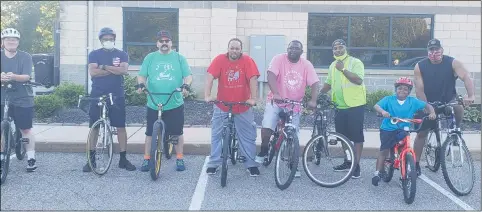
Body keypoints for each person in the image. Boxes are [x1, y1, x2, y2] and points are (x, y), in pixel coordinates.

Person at [256, 40, 320, 177]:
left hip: (294, 104)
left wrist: (313, 100)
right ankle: (264, 149)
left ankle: (292, 163)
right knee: (268, 124)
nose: (293, 50)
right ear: (287, 49)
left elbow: (315, 83)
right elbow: (271, 75)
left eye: (296, 49)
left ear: (301, 52)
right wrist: (276, 93)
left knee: (293, 134)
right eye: (290, 48)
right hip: (277, 101)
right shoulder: (279, 59)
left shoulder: (306, 65)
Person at [412, 38, 475, 176]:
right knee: (422, 133)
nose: (434, 52)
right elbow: (419, 90)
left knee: (458, 107)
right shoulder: (420, 66)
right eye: (431, 50)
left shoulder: (452, 62)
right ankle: (415, 163)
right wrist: (428, 107)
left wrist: (470, 95)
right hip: (428, 102)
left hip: (448, 100)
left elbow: (466, 77)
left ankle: (455, 131)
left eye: (437, 49)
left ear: (442, 50)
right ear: (428, 52)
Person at [137, 30, 192, 172]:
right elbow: (142, 75)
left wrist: (186, 85)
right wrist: (141, 84)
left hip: (174, 102)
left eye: (167, 41)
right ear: (157, 43)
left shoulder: (179, 58)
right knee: (149, 133)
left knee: (177, 132)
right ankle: (147, 158)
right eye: (161, 41)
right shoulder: (150, 58)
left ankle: (179, 158)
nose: (164, 43)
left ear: (171, 43)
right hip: (154, 102)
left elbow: (188, 76)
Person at [204, 38, 260, 176]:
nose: (234, 51)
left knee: (247, 136)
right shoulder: (220, 60)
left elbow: (253, 79)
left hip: (243, 105)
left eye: (237, 48)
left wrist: (253, 98)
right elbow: (210, 77)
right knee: (216, 134)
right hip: (223, 104)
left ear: (241, 50)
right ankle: (214, 163)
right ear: (228, 48)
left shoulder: (248, 61)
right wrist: (207, 95)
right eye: (232, 48)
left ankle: (250, 164)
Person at [83, 27, 136, 172]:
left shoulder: (122, 54)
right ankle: (91, 159)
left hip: (116, 94)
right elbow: (93, 73)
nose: (108, 41)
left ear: (114, 39)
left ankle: (123, 159)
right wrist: (113, 70)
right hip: (98, 93)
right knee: (94, 127)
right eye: (105, 39)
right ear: (101, 40)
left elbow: (124, 71)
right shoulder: (94, 54)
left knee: (120, 127)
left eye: (110, 39)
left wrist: (104, 67)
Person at [371, 77, 436, 186]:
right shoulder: (389, 99)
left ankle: (404, 170)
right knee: (384, 150)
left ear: (409, 91)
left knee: (403, 149)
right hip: (388, 129)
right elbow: (376, 106)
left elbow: (427, 105)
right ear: (396, 89)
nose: (402, 91)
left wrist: (432, 112)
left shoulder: (412, 101)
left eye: (405, 89)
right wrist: (383, 112)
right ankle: (377, 172)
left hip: (403, 129)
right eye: (400, 88)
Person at [319, 39, 366, 179]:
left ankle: (356, 165)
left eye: (341, 47)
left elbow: (358, 80)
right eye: (335, 48)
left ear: (346, 48)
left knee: (357, 137)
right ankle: (348, 161)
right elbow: (328, 83)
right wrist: (317, 95)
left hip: (355, 105)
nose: (338, 50)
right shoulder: (333, 65)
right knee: (343, 137)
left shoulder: (355, 62)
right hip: (339, 106)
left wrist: (343, 69)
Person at [0, 28, 37, 172]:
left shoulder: (25, 57)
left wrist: (13, 76)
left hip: (22, 97)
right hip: (2, 97)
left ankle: (31, 157)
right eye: (8, 39)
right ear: (3, 42)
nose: (11, 41)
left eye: (14, 39)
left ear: (18, 42)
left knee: (25, 129)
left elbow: (26, 76)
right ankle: (2, 157)